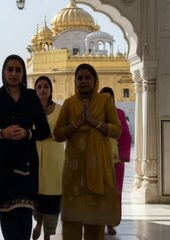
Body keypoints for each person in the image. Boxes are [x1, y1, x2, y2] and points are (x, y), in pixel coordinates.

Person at [0, 54, 49, 240]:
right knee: (8, 223)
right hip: (2, 166)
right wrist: (1, 133)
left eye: (18, 70)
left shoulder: (31, 97)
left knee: (25, 221)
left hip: (26, 166)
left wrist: (27, 133)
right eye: (10, 69)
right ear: (4, 72)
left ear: (23, 73)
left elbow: (44, 131)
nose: (14, 74)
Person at [53, 63, 121, 240]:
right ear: (75, 81)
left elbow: (116, 130)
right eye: (80, 78)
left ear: (95, 80)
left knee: (95, 220)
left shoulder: (104, 101)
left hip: (99, 167)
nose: (83, 81)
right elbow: (58, 134)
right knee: (71, 221)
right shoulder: (69, 103)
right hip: (74, 171)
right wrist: (77, 123)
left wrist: (93, 122)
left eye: (87, 77)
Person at [31, 76, 65, 240]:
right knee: (37, 193)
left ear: (51, 90)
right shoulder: (30, 110)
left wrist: (51, 134)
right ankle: (38, 223)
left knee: (53, 195)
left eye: (45, 87)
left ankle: (48, 233)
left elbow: (64, 133)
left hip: (55, 159)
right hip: (35, 157)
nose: (42, 90)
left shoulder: (59, 110)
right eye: (39, 87)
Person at [99, 86, 132, 236]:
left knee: (114, 192)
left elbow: (125, 136)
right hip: (98, 159)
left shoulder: (120, 114)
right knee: (98, 191)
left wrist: (122, 155)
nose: (107, 101)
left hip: (115, 160)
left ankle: (111, 223)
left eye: (109, 98)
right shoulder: (95, 115)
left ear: (113, 99)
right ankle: (98, 222)